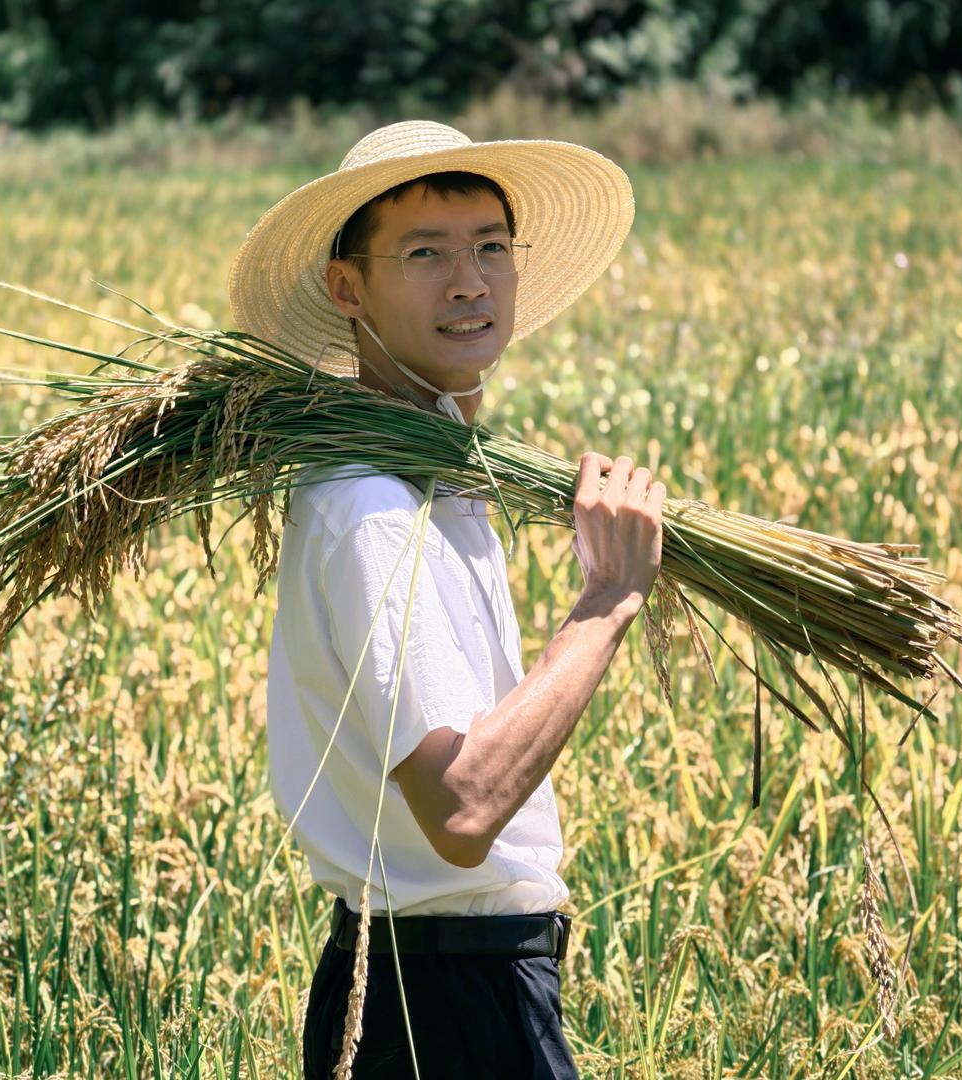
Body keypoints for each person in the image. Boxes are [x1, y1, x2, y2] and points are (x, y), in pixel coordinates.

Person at [227, 120, 666, 1079]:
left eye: (491, 248)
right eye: (425, 253)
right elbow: (462, 809)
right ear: (349, 288)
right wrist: (608, 600)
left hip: (441, 988)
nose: (470, 281)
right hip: (441, 1004)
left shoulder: (435, 479)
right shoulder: (376, 507)